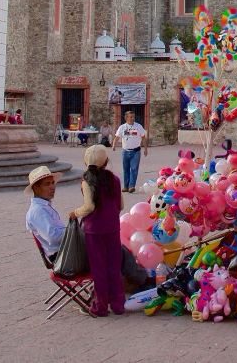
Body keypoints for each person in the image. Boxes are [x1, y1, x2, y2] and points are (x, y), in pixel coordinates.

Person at [70, 144, 125, 318]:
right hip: (112, 227)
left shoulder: (87, 181)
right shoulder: (114, 179)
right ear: (106, 161)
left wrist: (75, 213)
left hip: (94, 230)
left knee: (99, 268)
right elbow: (120, 205)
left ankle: (101, 306)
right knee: (114, 266)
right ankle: (118, 304)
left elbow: (89, 206)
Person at [114, 111, 148, 193]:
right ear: (126, 118)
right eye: (131, 117)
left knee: (134, 169)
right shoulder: (122, 127)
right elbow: (117, 137)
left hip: (136, 151)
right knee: (126, 169)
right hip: (125, 151)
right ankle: (126, 186)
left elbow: (143, 137)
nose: (133, 118)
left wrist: (145, 149)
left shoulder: (138, 126)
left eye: (133, 116)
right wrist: (113, 145)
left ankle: (131, 186)